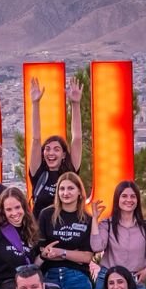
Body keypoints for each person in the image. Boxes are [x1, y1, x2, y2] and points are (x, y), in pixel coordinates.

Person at [27, 75, 84, 216]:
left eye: (56, 149)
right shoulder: (38, 172)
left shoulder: (70, 171)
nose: (51, 153)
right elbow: (36, 139)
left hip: (66, 226)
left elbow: (77, 139)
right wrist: (35, 103)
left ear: (64, 155)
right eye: (47, 149)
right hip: (39, 228)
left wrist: (75, 104)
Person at [36, 172, 96, 289]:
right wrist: (73, 254)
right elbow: (43, 251)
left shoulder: (87, 219)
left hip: (78, 277)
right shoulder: (46, 214)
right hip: (50, 275)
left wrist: (60, 252)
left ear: (79, 192)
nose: (65, 193)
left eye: (70, 188)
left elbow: (86, 257)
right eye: (62, 189)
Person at [89, 180, 146, 289]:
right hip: (109, 279)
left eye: (133, 196)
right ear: (117, 198)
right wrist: (95, 219)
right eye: (124, 196)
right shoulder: (107, 224)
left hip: (136, 280)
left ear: (137, 200)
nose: (129, 200)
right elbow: (96, 247)